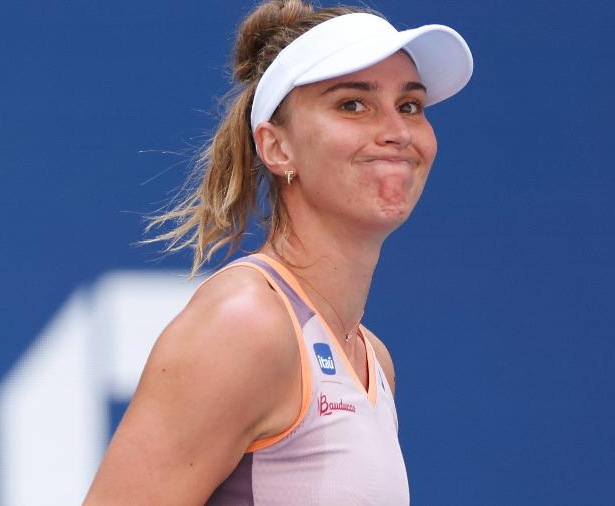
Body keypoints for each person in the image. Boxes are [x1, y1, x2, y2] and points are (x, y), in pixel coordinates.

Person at [84, 0, 472, 503]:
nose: (397, 131)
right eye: (353, 104)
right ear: (277, 148)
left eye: (410, 106)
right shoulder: (245, 325)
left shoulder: (373, 359)